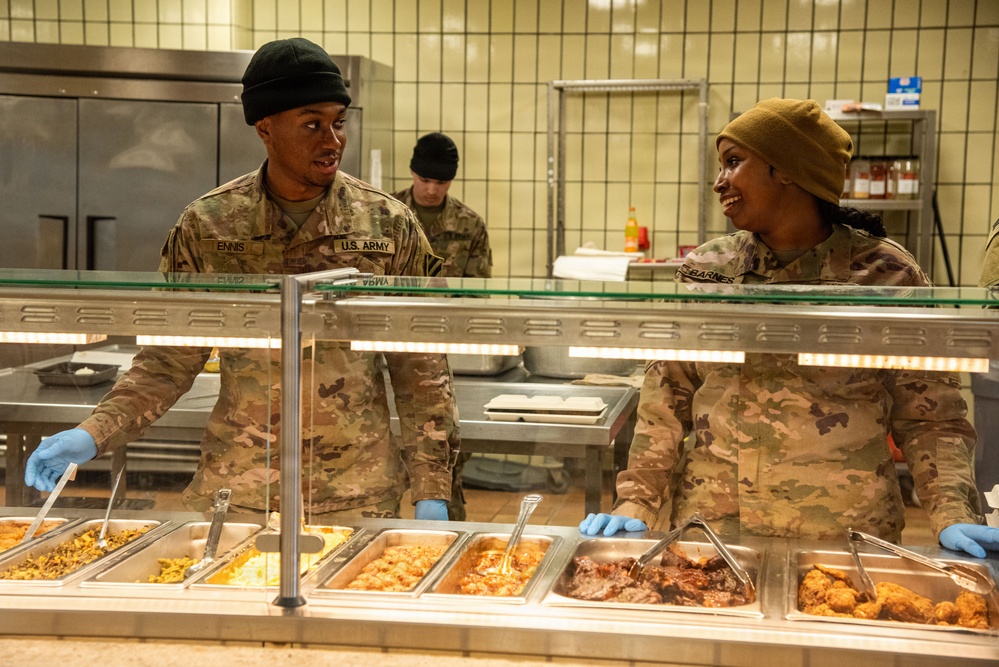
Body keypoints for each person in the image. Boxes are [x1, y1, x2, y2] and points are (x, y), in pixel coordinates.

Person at [23, 37, 456, 522]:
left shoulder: (388, 225)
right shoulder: (209, 226)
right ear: (265, 128)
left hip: (356, 493)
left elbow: (421, 369)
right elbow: (169, 359)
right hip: (239, 492)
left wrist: (431, 487)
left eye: (338, 122)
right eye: (312, 124)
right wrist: (96, 431)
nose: (332, 141)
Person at [580, 98, 999, 559]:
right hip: (714, 526)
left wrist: (953, 510)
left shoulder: (886, 274)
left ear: (787, 170)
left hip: (845, 534)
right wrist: (638, 497)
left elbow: (931, 416)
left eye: (733, 163)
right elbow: (664, 400)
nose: (719, 182)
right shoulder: (706, 270)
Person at [392, 132, 492, 521]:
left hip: (444, 354)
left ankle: (450, 516)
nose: (431, 190)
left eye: (441, 182)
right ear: (413, 173)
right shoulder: (386, 215)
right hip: (390, 347)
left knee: (442, 448)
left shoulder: (469, 226)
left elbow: (477, 296)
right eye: (424, 180)